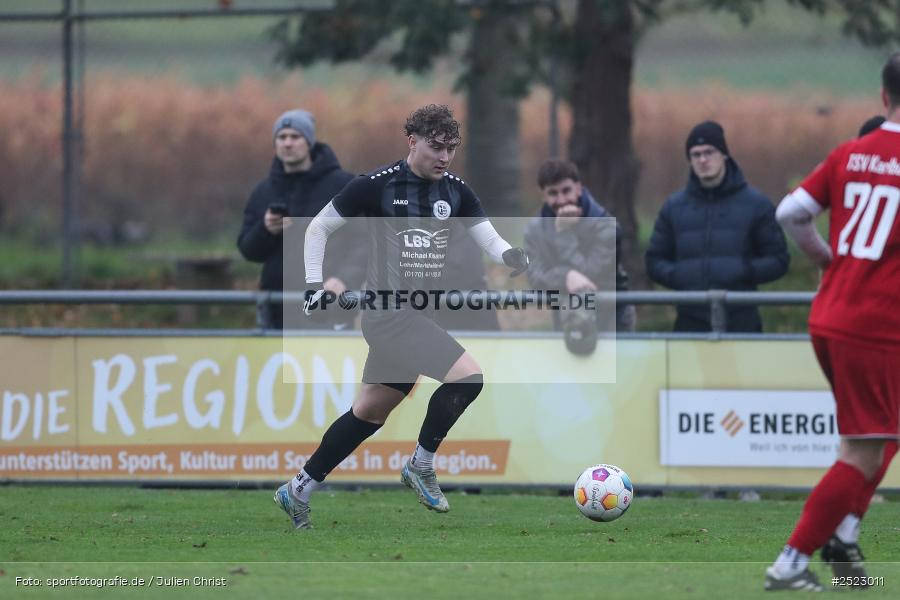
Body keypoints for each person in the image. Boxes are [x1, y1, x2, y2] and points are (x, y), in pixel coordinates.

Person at [272, 104, 529, 528]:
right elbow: (318, 228)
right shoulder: (375, 185)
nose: (444, 157)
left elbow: (489, 238)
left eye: (451, 148)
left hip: (417, 315)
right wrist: (314, 284)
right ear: (412, 142)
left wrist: (511, 255)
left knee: (369, 413)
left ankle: (298, 487)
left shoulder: (456, 191)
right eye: (436, 147)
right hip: (389, 315)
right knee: (469, 378)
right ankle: (421, 464)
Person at [764, 54, 900, 591]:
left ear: (884, 96)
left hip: (832, 313)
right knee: (863, 449)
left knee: (883, 434)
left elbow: (789, 213)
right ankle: (793, 561)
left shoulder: (849, 153)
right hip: (877, 325)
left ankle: (843, 542)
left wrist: (827, 258)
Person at [645, 121, 790, 332]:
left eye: (709, 152)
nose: (703, 160)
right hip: (690, 320)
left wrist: (743, 271)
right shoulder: (673, 208)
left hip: (741, 319)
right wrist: (679, 275)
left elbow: (778, 260)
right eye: (696, 154)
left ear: (724, 155)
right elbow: (654, 260)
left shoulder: (756, 205)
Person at [237, 109, 364, 329]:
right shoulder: (264, 190)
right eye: (281, 137)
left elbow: (365, 240)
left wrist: (345, 279)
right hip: (278, 308)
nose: (288, 143)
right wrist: (265, 229)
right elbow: (248, 250)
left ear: (309, 142)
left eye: (295, 136)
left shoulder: (343, 186)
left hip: (328, 305)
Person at [525, 159, 634, 337]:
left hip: (612, 316)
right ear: (543, 196)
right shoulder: (534, 230)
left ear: (578, 188)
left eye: (566, 190)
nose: (561, 200)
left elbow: (590, 275)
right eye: (552, 193)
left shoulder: (606, 226)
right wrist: (565, 276)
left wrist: (563, 233)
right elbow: (534, 277)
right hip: (565, 316)